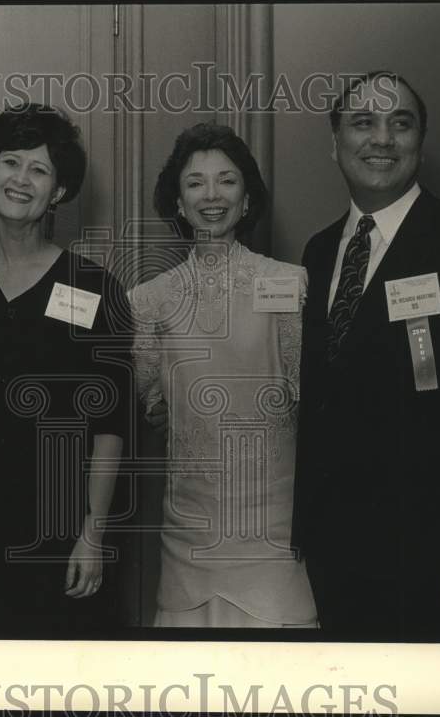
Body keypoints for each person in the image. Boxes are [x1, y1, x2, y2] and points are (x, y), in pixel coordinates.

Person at [291, 71, 440, 640]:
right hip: (331, 551)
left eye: (401, 123)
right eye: (363, 123)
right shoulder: (320, 251)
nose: (382, 139)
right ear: (334, 144)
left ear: (420, 141)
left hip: (435, 555)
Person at [0, 103, 132, 635]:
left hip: (57, 533)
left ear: (59, 191)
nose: (20, 179)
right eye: (9, 162)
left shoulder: (94, 287)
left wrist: (94, 533)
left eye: (39, 170)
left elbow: (111, 428)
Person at [130, 123, 318, 628]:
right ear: (177, 200)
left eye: (226, 180)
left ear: (248, 197)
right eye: (195, 183)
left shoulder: (289, 283)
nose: (211, 196)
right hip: (190, 529)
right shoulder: (150, 301)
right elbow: (153, 404)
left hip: (275, 525)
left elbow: (309, 398)